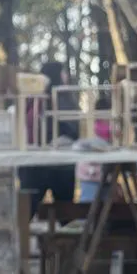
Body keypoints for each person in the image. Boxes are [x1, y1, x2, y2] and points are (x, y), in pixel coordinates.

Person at [18, 61, 79, 217]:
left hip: (34, 162)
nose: (66, 76)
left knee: (27, 212)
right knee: (65, 212)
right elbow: (74, 129)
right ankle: (65, 241)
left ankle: (22, 239)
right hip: (58, 165)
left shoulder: (31, 99)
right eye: (63, 72)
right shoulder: (63, 97)